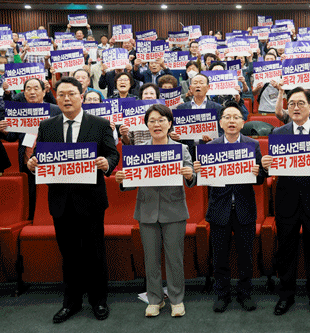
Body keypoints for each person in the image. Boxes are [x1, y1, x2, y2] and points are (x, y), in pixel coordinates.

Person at [26, 76, 119, 324]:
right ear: (56, 97)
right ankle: (71, 303)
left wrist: (106, 163)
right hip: (61, 201)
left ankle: (99, 301)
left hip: (91, 200)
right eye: (62, 94)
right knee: (68, 255)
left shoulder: (99, 124)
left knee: (94, 253)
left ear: (82, 95)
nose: (66, 98)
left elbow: (113, 154)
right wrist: (33, 164)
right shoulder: (47, 126)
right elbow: (38, 158)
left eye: (71, 94)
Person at [261, 87, 310, 318]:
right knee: (286, 250)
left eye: (301, 103)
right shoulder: (278, 133)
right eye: (291, 103)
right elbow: (269, 170)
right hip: (286, 200)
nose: (295, 107)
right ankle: (286, 295)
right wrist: (266, 165)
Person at [115, 104, 195, 318]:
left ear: (170, 123)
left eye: (161, 120)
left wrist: (189, 175)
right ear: (146, 124)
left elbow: (192, 180)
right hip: (147, 210)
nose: (157, 124)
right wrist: (122, 180)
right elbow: (131, 183)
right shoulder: (138, 150)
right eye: (152, 120)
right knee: (151, 259)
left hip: (174, 209)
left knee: (174, 258)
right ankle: (155, 300)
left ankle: (177, 300)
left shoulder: (181, 149)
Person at [194, 101, 265, 313]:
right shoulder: (210, 148)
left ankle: (245, 293)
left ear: (243, 123)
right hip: (219, 209)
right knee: (220, 256)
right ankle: (222, 294)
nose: (232, 121)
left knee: (245, 255)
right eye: (227, 117)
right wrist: (199, 170)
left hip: (244, 208)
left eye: (236, 117)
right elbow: (204, 181)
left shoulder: (252, 145)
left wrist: (257, 172)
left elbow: (261, 178)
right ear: (221, 123)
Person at [0, 78, 62, 219]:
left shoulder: (56, 111)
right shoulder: (18, 113)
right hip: (27, 164)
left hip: (51, 163)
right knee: (31, 199)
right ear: (24, 92)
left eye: (36, 88)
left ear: (44, 91)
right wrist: (4, 130)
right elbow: (11, 137)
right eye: (28, 88)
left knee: (54, 201)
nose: (32, 92)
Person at [175, 73, 223, 160]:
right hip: (187, 152)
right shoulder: (181, 108)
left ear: (208, 87)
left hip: (210, 151)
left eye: (201, 83)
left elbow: (222, 132)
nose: (198, 85)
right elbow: (177, 132)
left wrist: (213, 139)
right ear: (190, 88)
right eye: (195, 83)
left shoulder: (218, 108)